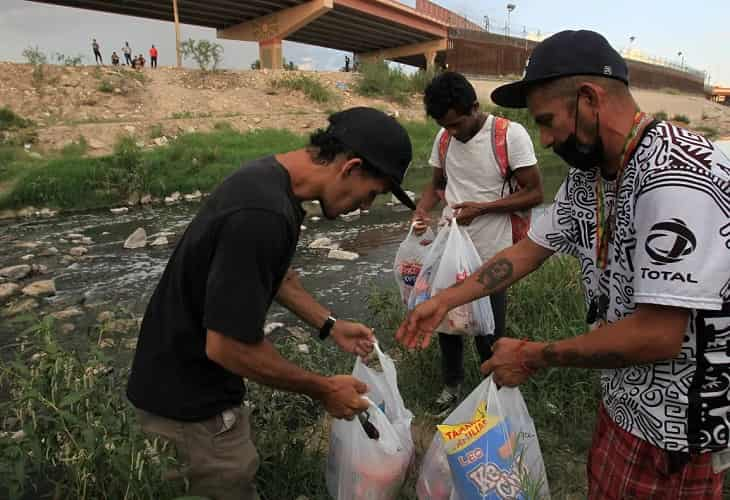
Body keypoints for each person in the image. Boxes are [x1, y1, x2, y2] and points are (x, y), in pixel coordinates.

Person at [397, 30, 730, 499]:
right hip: (622, 397)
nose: (547, 139)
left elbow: (658, 334)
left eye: (549, 121)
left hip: (675, 428)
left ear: (590, 99)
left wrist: (532, 355)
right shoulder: (590, 177)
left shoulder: (675, 176)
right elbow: (528, 251)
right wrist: (445, 298)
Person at [127, 107, 416, 500]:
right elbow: (227, 346)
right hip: (190, 413)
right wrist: (323, 388)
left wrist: (329, 325)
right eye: (371, 195)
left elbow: (271, 274)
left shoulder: (267, 181)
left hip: (178, 390)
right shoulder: (263, 214)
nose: (364, 208)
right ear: (350, 168)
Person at [413, 71, 543, 416]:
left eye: (456, 124)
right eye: (445, 126)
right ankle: (452, 385)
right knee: (447, 321)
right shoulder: (444, 138)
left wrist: (482, 209)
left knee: (489, 330)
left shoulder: (508, 136)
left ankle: (493, 394)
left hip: (492, 252)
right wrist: (423, 209)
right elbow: (437, 184)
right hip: (449, 247)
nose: (452, 132)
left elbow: (534, 193)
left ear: (474, 107)